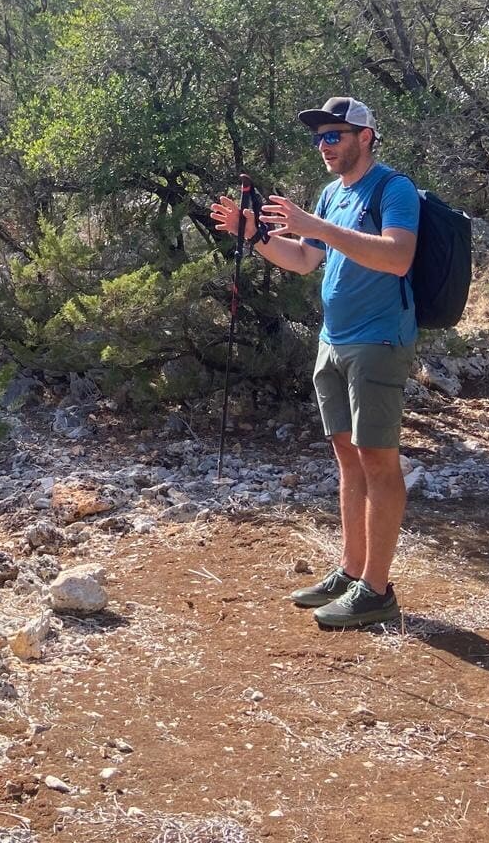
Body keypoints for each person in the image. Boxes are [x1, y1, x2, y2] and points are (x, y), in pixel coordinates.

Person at [211, 97, 419, 629]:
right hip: (333, 339)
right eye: (319, 138)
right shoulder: (331, 195)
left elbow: (397, 257)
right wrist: (254, 235)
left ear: (365, 137)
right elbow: (303, 260)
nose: (324, 146)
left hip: (378, 341)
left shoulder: (392, 190)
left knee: (379, 460)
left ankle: (377, 590)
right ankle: (350, 571)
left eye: (334, 136)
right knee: (348, 456)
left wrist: (315, 226)